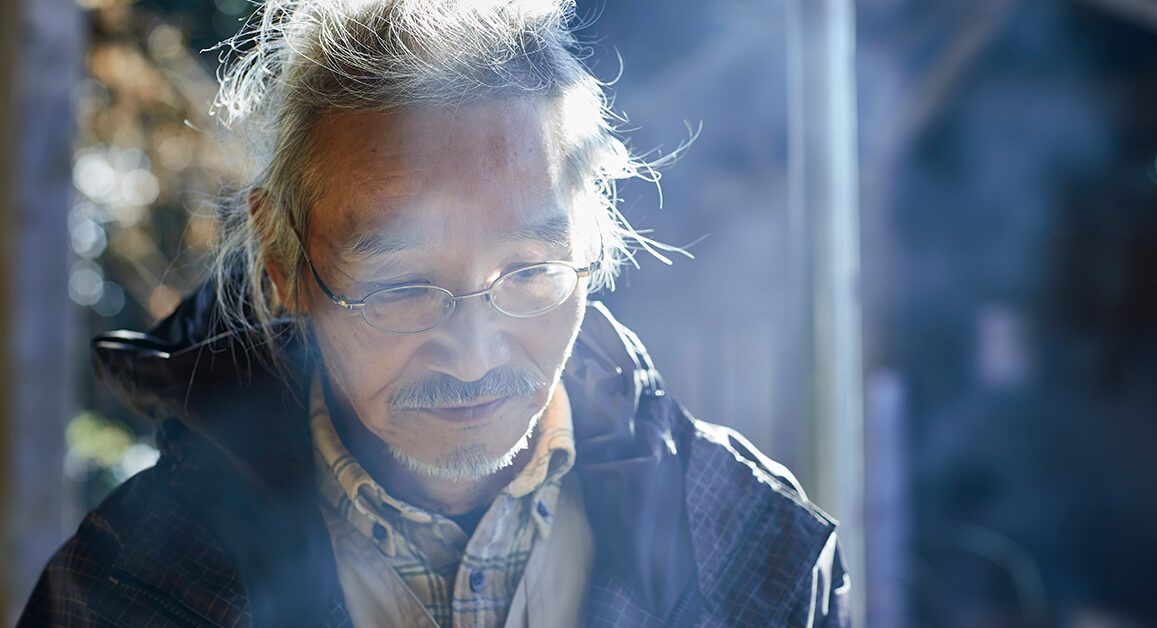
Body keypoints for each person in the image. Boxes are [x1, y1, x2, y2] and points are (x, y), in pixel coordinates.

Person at [20, 1, 850, 626]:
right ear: (282, 257)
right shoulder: (135, 584)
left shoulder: (753, 547)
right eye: (401, 284)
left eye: (529, 272)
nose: (472, 353)